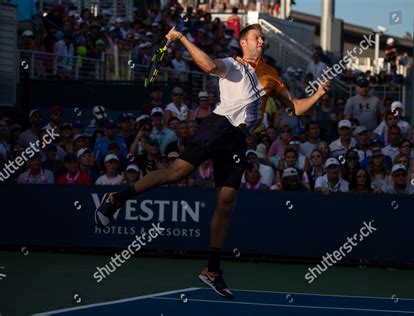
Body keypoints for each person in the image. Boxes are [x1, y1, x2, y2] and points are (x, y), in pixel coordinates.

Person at [94, 23, 330, 299]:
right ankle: (116, 198)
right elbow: (207, 65)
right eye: (257, 38)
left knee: (226, 202)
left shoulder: (272, 75)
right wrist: (182, 37)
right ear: (244, 43)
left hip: (238, 140)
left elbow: (296, 107)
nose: (262, 42)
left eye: (263, 39)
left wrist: (317, 95)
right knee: (176, 173)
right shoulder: (232, 65)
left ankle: (212, 270)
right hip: (217, 127)